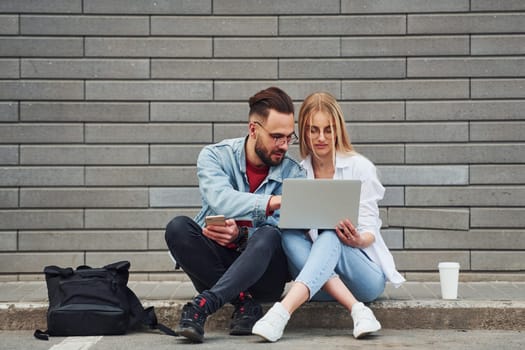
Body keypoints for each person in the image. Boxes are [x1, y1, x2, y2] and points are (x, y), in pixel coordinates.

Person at [252, 92, 405, 342]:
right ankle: (358, 310)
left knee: (332, 230)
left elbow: (370, 230)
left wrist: (356, 239)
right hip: (319, 283)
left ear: (338, 130)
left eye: (328, 130)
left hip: (363, 277)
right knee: (288, 232)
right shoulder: (297, 171)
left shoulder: (359, 167)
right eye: (313, 130)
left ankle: (281, 312)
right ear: (304, 133)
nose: (321, 138)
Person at [164, 87, 306, 343]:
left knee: (269, 234)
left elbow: (286, 231)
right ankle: (244, 303)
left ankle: (203, 306)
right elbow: (220, 199)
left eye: (289, 137)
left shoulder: (293, 173)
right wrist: (272, 202)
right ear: (253, 129)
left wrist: (242, 236)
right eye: (276, 137)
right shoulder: (215, 156)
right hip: (214, 268)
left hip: (264, 274)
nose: (284, 145)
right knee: (177, 228)